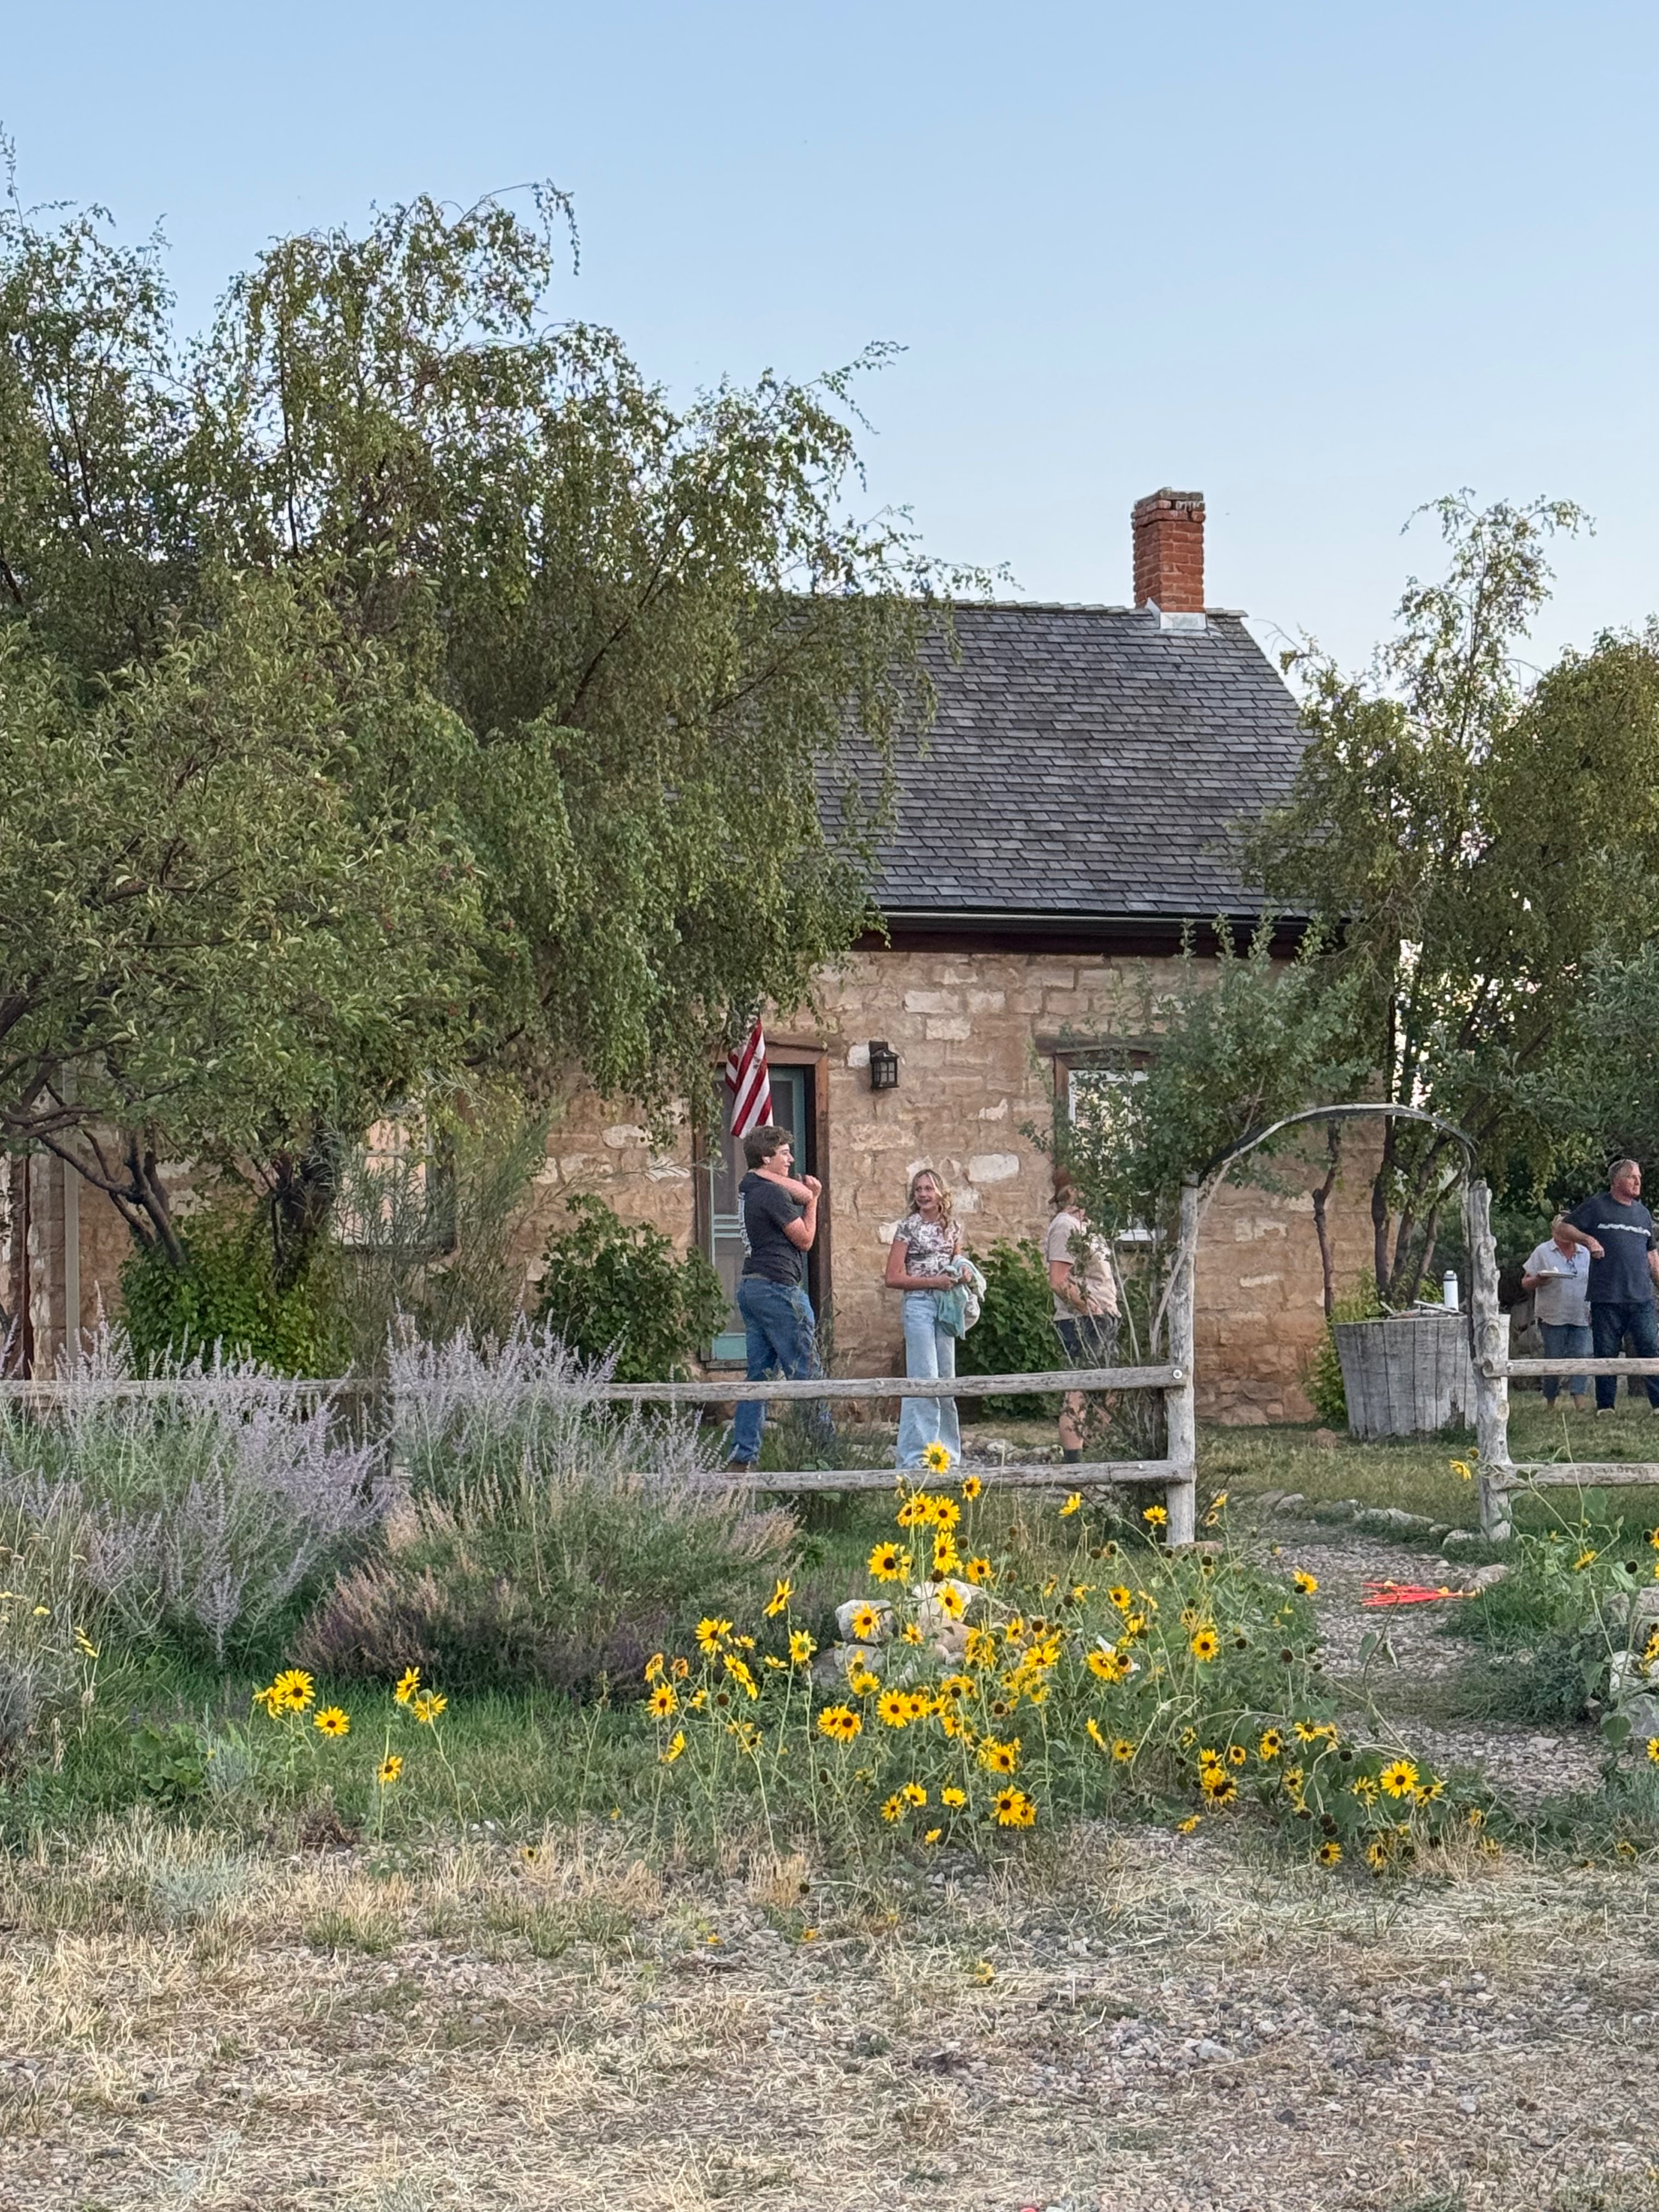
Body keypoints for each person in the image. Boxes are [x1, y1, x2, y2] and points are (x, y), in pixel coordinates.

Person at [726, 1124, 823, 1470]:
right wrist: (813, 1201)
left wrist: (802, 1192)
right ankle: (825, 1453)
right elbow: (805, 1240)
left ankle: (743, 1456)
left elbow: (792, 1188)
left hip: (753, 1287)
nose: (791, 1160)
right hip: (778, 1288)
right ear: (766, 1158)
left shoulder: (752, 1187)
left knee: (759, 1377)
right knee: (807, 1371)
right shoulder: (768, 1194)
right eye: (784, 1154)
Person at [1553, 1159, 1659, 1413]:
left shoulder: (1643, 1214)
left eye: (1639, 1177)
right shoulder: (1597, 1207)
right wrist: (1588, 1239)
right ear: (1616, 1180)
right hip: (1607, 1296)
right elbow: (1563, 1228)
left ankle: (1658, 1404)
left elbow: (1652, 1256)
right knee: (1606, 1352)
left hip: (1641, 1297)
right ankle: (1606, 1406)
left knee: (1651, 1350)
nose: (1638, 1182)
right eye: (1632, 1177)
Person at [885, 1168, 964, 1470]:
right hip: (919, 1304)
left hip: (945, 1305)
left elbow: (957, 1258)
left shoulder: (952, 1227)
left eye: (929, 1188)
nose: (923, 1194)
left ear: (941, 1193)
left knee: (946, 1379)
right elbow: (893, 1277)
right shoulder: (908, 1228)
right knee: (923, 1378)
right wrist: (933, 1282)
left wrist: (964, 1271)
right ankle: (916, 1458)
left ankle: (946, 1456)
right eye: (918, 1189)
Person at [1044, 1175, 1120, 1463]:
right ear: (1072, 1191)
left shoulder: (1084, 1226)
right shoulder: (1065, 1226)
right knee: (1079, 1390)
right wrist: (1092, 1309)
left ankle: (1091, 1451)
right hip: (1081, 1321)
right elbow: (1059, 1280)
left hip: (1101, 1318)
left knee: (1113, 1390)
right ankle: (1074, 1462)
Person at [1521, 1220, 1592, 1412]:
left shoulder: (1585, 1253)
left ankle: (1580, 1401)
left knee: (1581, 1357)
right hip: (1552, 1315)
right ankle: (1550, 1401)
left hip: (1581, 1314)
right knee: (1553, 1358)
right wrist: (1539, 1280)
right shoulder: (1543, 1251)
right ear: (1554, 1229)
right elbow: (1526, 1282)